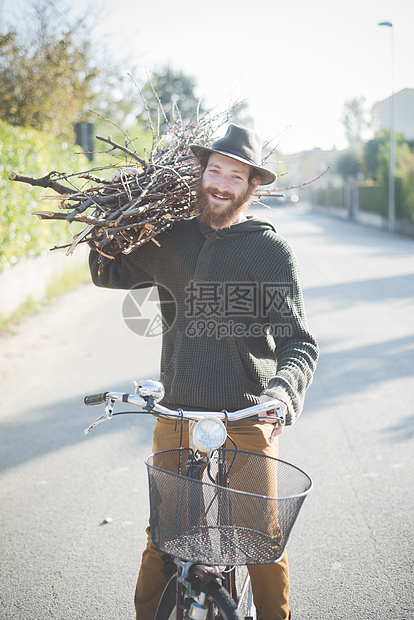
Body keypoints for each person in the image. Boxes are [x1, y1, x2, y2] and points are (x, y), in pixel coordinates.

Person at [89, 124, 319, 620]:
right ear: (201, 173)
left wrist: (282, 391)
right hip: (177, 410)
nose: (220, 183)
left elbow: (299, 342)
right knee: (164, 538)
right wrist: (108, 223)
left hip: (247, 412)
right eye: (214, 169)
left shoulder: (268, 250)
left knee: (262, 540)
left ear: (252, 185)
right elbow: (108, 272)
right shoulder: (171, 238)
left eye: (234, 176)